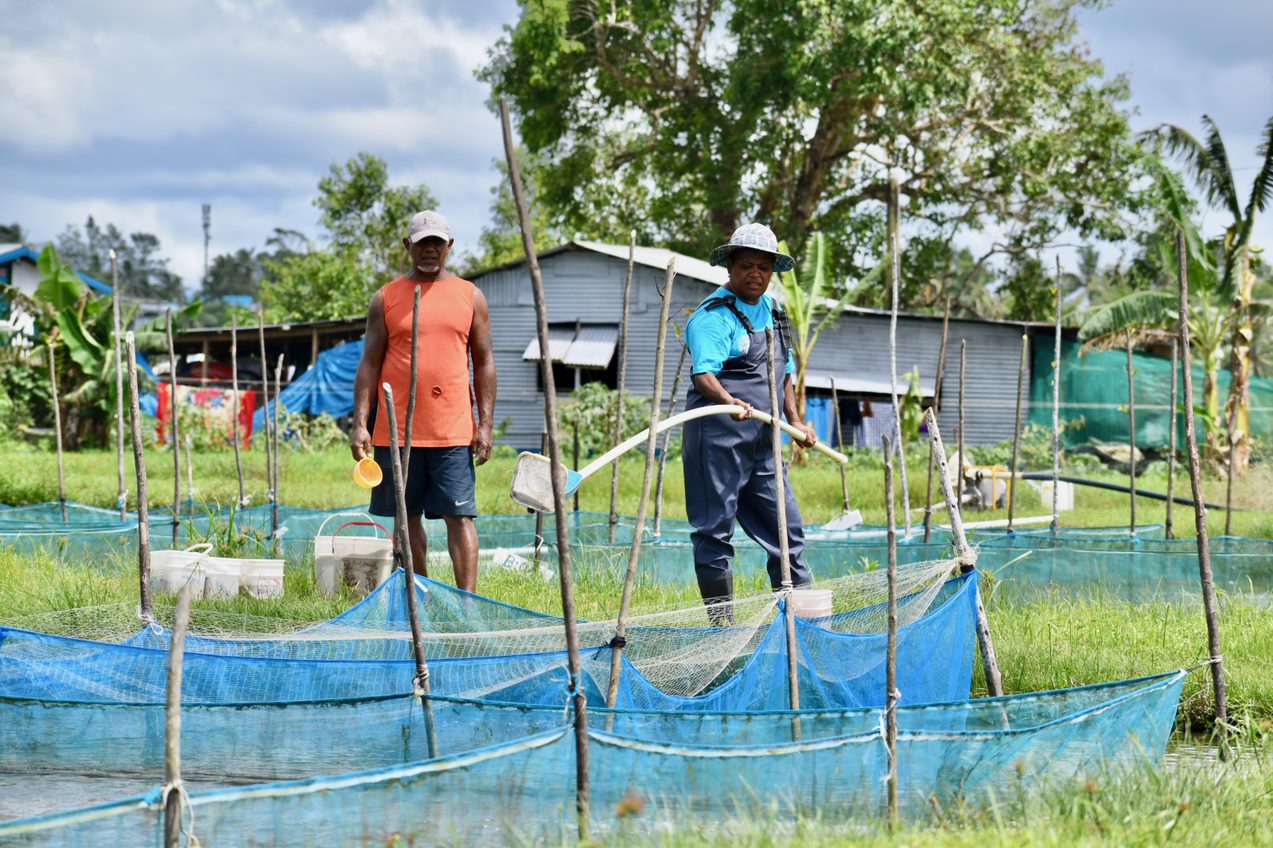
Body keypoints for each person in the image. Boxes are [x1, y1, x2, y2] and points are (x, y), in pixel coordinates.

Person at [350, 210, 495, 593]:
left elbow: (484, 363)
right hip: (397, 432)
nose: (429, 250)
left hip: (453, 430)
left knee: (460, 516)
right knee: (406, 517)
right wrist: (361, 423)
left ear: (449, 246)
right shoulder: (386, 298)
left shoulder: (470, 296)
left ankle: (467, 604)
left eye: (436, 242)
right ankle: (422, 596)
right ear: (407, 247)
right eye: (421, 243)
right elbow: (369, 364)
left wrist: (485, 424)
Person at [682, 223, 817, 624]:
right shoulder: (713, 317)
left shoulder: (775, 313)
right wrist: (729, 400)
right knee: (715, 532)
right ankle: (722, 625)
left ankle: (800, 621)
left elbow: (786, 373)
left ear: (772, 270)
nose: (754, 273)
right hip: (718, 441)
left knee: (786, 530)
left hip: (764, 440)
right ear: (730, 268)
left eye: (763, 266)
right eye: (746, 266)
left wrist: (796, 421)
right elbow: (704, 376)